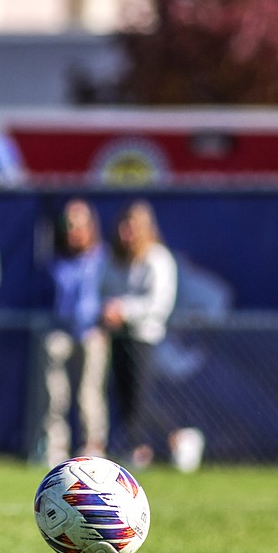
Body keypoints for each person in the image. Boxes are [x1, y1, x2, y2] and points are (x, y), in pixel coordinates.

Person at [100, 199, 181, 469]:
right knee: (123, 395)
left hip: (144, 335)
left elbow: (159, 302)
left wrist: (124, 310)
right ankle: (150, 442)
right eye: (124, 226)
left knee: (138, 394)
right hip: (117, 335)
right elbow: (102, 290)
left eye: (133, 226)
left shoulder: (157, 258)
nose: (127, 232)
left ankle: (147, 445)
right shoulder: (114, 258)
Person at [38, 199, 109, 466]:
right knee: (54, 394)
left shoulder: (103, 258)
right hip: (61, 330)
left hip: (92, 331)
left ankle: (93, 446)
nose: (74, 231)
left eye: (80, 225)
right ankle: (55, 445)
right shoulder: (56, 261)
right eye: (69, 225)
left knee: (89, 394)